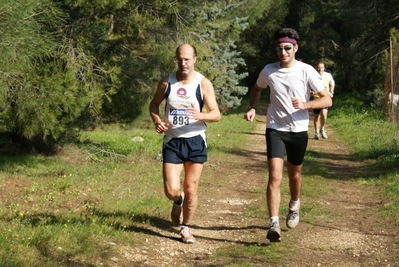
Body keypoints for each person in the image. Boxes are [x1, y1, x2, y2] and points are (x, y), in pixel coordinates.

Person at [244, 28, 332, 242]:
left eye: (287, 48)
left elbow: (327, 99)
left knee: (295, 174)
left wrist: (306, 104)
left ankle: (294, 205)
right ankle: (273, 222)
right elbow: (256, 89)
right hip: (275, 128)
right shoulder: (269, 70)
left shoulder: (307, 71)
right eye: (279, 48)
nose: (282, 52)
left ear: (295, 48)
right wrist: (253, 107)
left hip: (298, 130)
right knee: (274, 175)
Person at [149, 44, 221, 243]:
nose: (184, 63)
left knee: (191, 188)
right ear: (176, 59)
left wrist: (201, 115)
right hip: (172, 141)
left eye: (187, 59)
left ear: (195, 59)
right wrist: (157, 121)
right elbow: (154, 104)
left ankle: (186, 227)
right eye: (180, 59)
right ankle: (177, 201)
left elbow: (216, 114)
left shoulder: (203, 83)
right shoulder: (166, 83)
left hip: (196, 140)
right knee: (171, 190)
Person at [312, 62, 335, 139]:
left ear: (324, 68)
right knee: (316, 117)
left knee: (324, 115)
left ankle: (322, 129)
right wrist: (311, 92)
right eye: (318, 67)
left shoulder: (328, 75)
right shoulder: (313, 75)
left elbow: (332, 83)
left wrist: (331, 92)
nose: (320, 69)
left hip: (325, 98)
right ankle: (316, 132)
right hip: (316, 98)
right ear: (316, 68)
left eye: (321, 67)